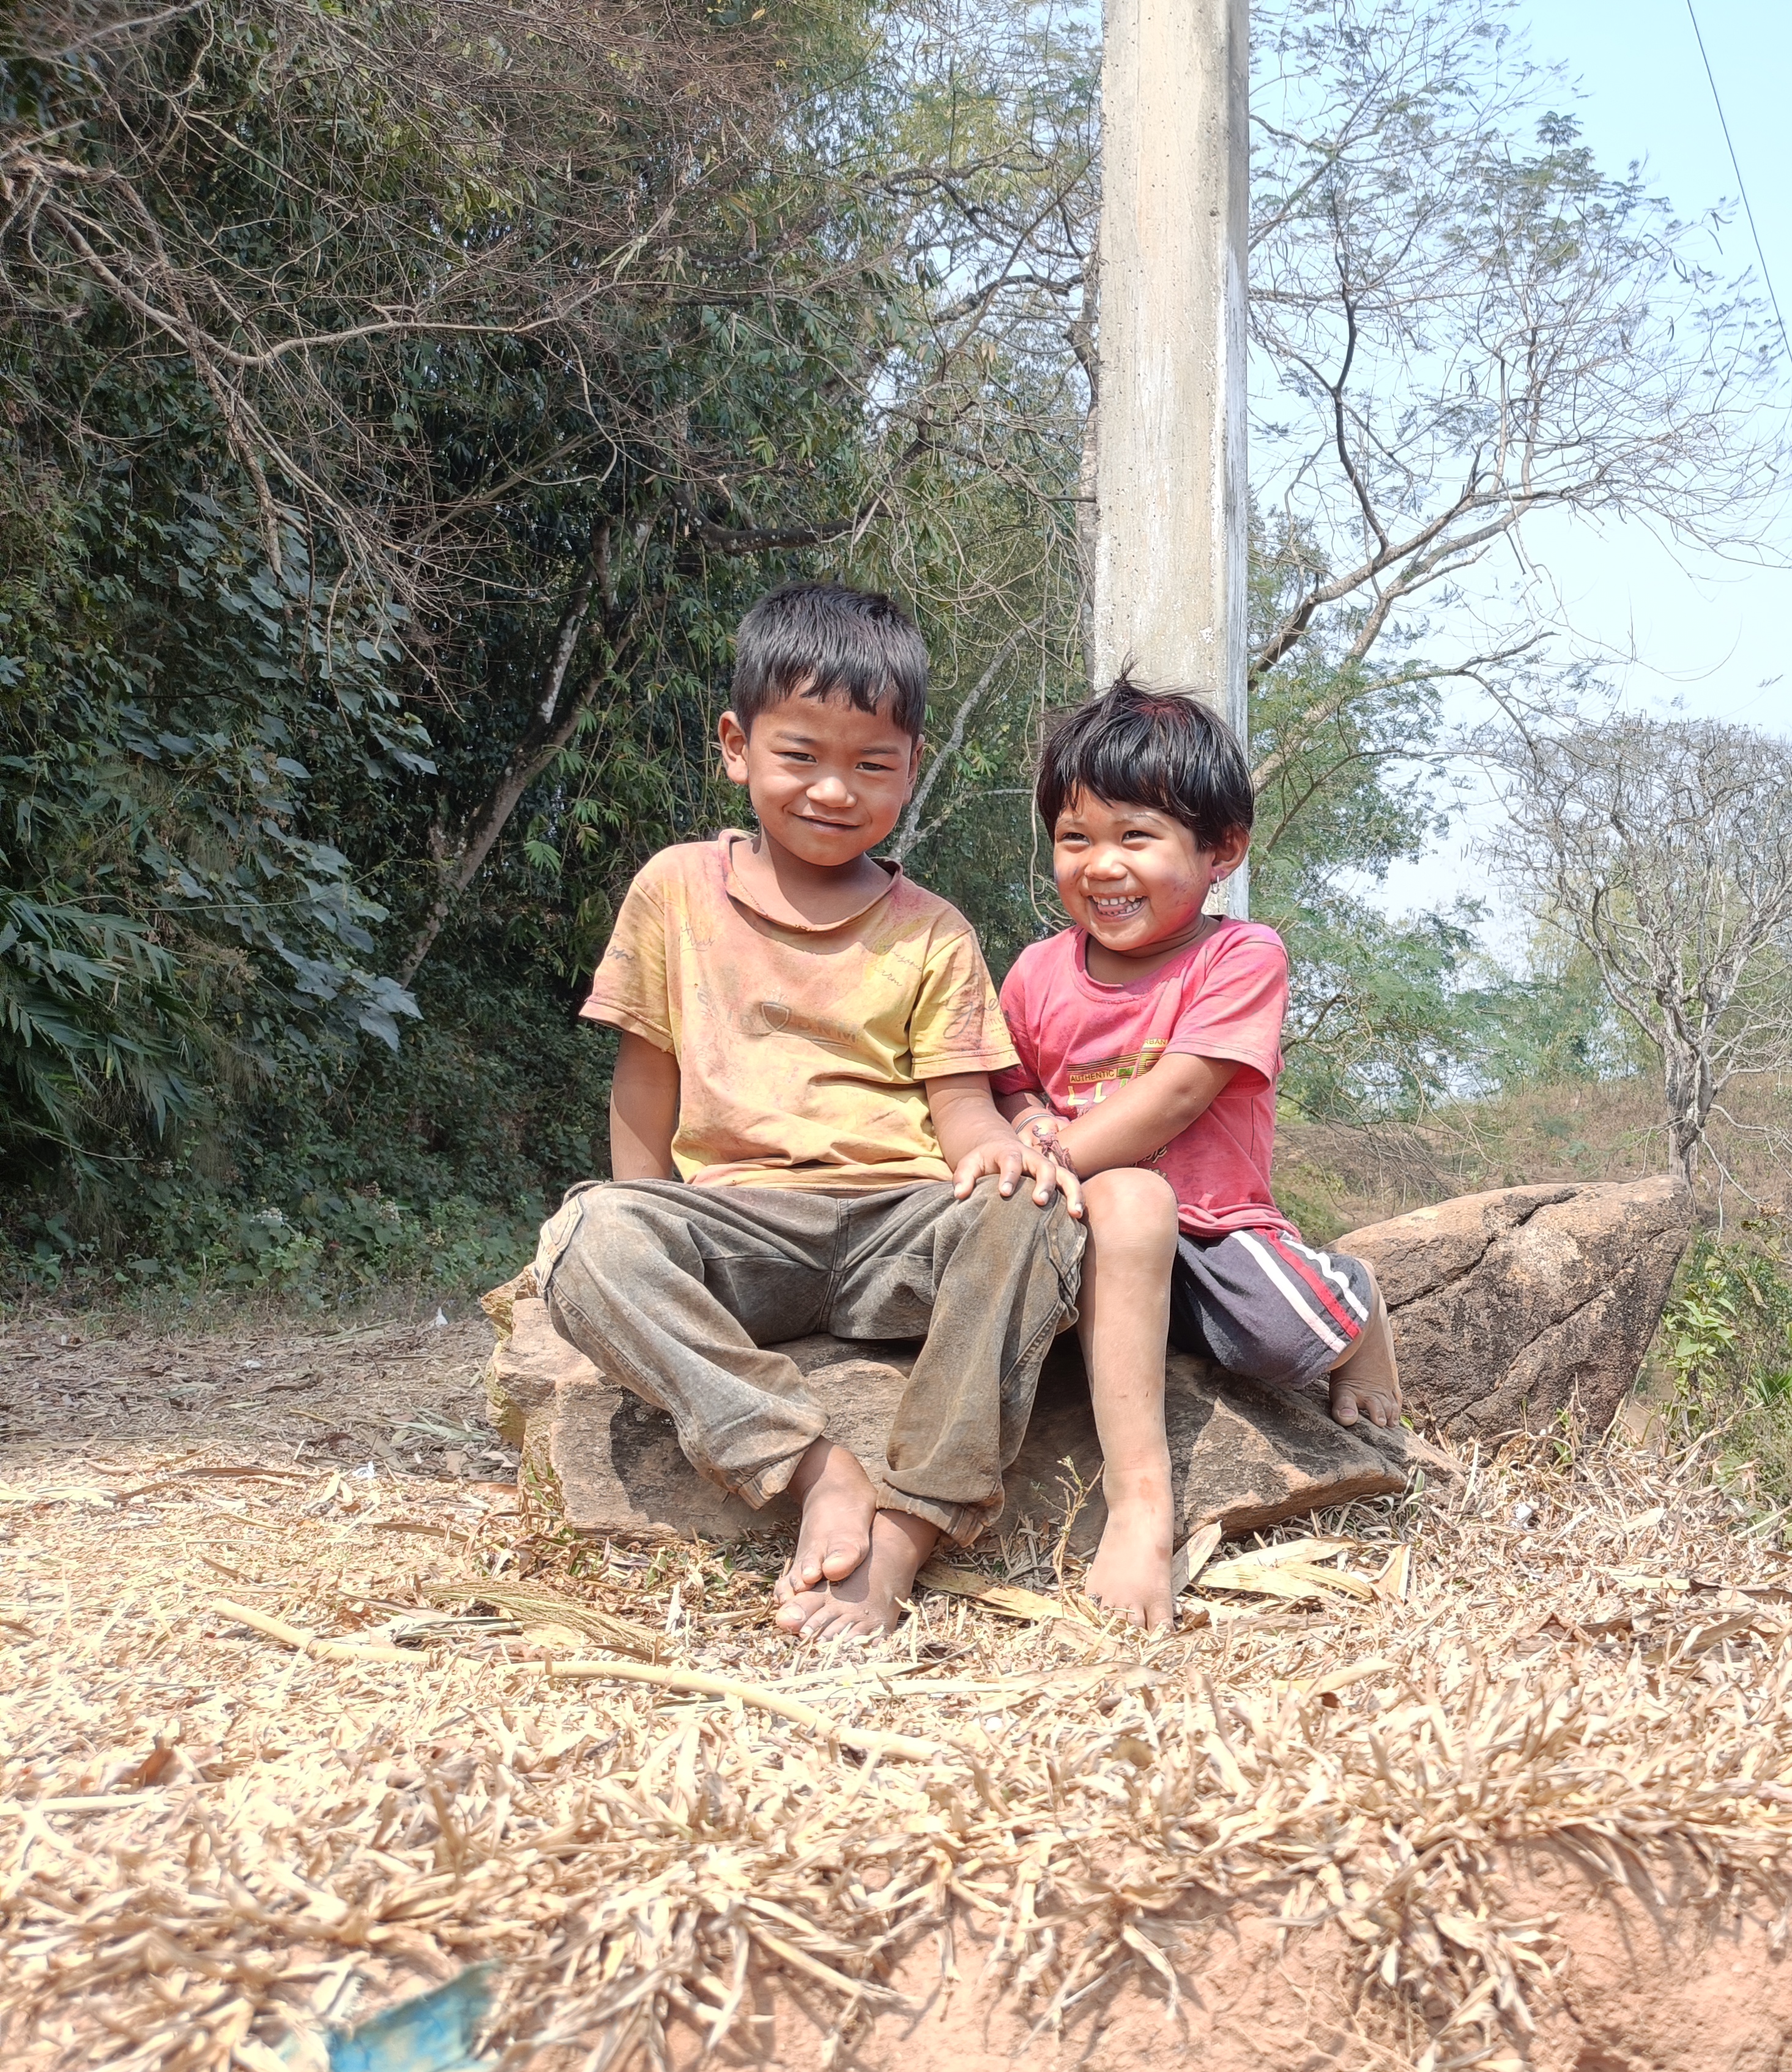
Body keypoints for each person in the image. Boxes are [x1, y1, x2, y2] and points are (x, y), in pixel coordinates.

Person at [536, 583, 1083, 1642]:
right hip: (740, 1229)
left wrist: (998, 1169)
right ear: (737, 747)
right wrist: (653, 1244)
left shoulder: (933, 930)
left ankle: (910, 1526)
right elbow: (645, 1080)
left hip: (899, 1223)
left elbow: (963, 1109)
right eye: (801, 756)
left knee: (1043, 1217)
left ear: (911, 768)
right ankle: (810, 1467)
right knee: (589, 1238)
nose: (835, 790)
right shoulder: (676, 888)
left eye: (872, 764)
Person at [992, 678, 1402, 1629]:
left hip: (1215, 1233)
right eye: (1075, 838)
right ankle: (1142, 1507)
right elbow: (1004, 1079)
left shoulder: (1240, 956)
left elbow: (1181, 1091)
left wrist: (1065, 1151)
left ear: (1221, 851)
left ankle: (1354, 1297)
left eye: (1136, 837)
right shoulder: (1036, 971)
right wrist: (1022, 1128)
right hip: (1102, 1227)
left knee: (1277, 1345)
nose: (1102, 866)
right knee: (1090, 1228)